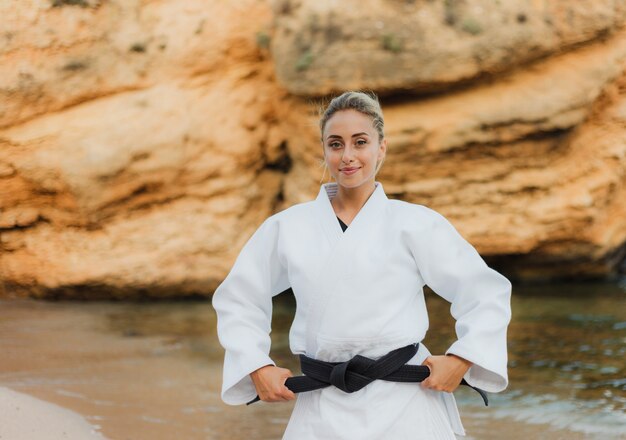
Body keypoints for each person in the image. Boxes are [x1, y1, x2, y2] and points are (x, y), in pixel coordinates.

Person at [212, 91, 512, 439]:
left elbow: (484, 292)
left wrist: (461, 361)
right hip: (321, 402)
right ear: (324, 150)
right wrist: (256, 365)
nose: (348, 156)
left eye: (361, 142)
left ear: (381, 148)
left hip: (406, 404)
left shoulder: (415, 224)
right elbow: (239, 298)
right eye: (336, 144)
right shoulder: (288, 228)